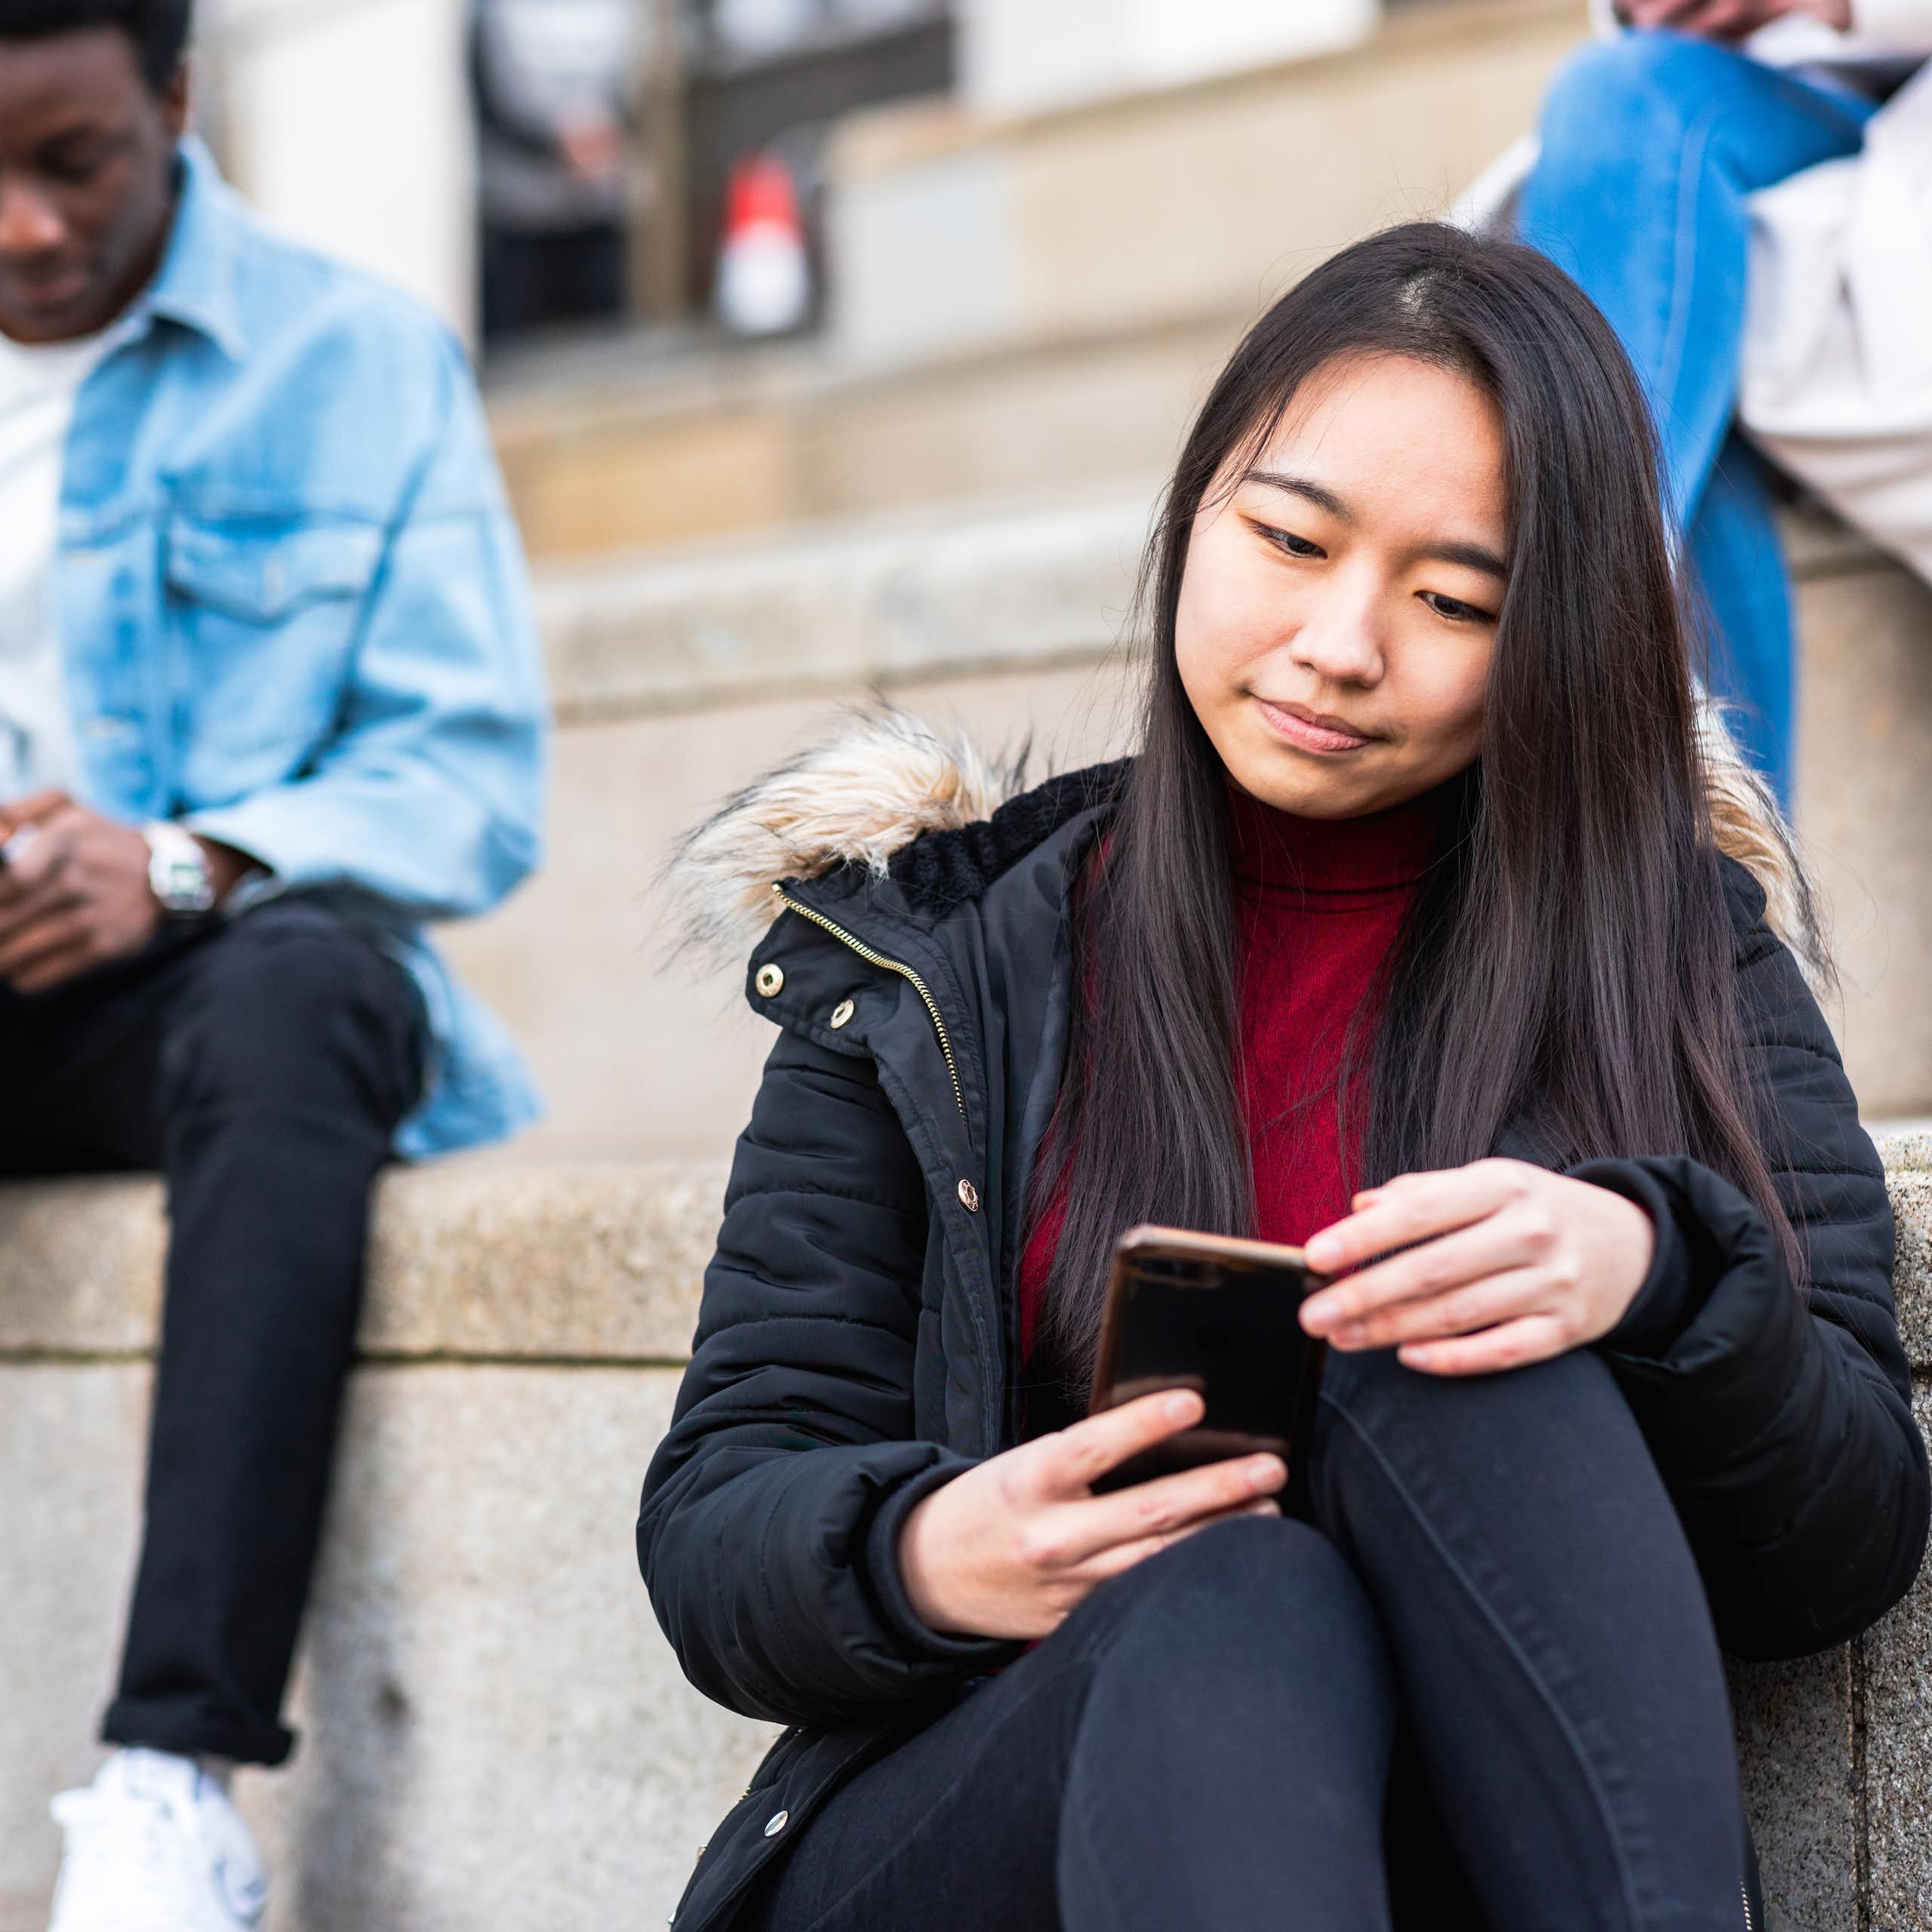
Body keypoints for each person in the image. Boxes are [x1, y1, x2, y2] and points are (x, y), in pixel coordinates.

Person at [639, 222, 1928, 1931]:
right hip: (993, 1807)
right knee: (1230, 1596)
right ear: (1195, 513)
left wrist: (1652, 1270)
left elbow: (1838, 1544)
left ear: (1549, 639)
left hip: (1453, 1833)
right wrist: (931, 1548)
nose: (1338, 643)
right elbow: (723, 1510)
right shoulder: (942, 948)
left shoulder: (1670, 944)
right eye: (1289, 539)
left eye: (1453, 600)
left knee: (1447, 1331)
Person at [0, 3, 548, 1926]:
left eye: (73, 161)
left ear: (176, 99)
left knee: (302, 989)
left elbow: (469, 782)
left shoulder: (352, 357)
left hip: (221, 980)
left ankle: (169, 1786)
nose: (24, 226)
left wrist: (179, 861)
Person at [1501, 0, 1932, 808]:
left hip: (1883, 99)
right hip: (1765, 88)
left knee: (1624, 110)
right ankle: (1727, 870)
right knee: (1666, 363)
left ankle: (1563, 654)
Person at [470, 0, 637, 344]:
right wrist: (556, 141)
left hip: (598, 210)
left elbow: (643, 82)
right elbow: (492, 97)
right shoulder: (494, 11)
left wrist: (606, 135)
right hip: (518, 219)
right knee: (518, 353)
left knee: (607, 346)